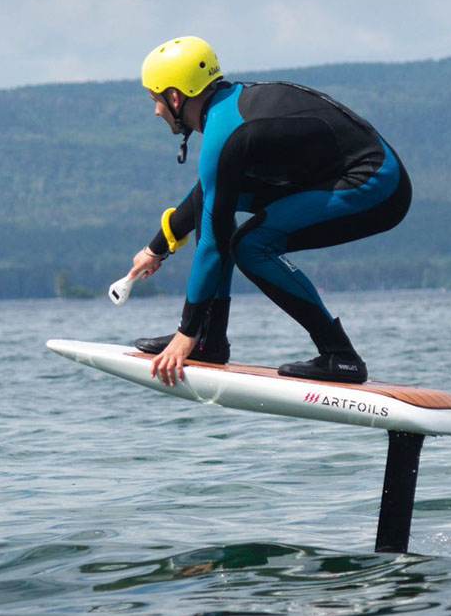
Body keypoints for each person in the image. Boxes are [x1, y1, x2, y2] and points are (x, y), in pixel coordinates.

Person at [128, 36, 411, 387]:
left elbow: (213, 243)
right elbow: (208, 194)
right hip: (335, 175)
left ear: (175, 97)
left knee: (250, 245)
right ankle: (210, 341)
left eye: (155, 99)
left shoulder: (225, 133)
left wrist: (184, 332)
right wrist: (157, 248)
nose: (156, 111)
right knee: (215, 206)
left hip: (378, 185)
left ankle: (341, 356)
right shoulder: (227, 110)